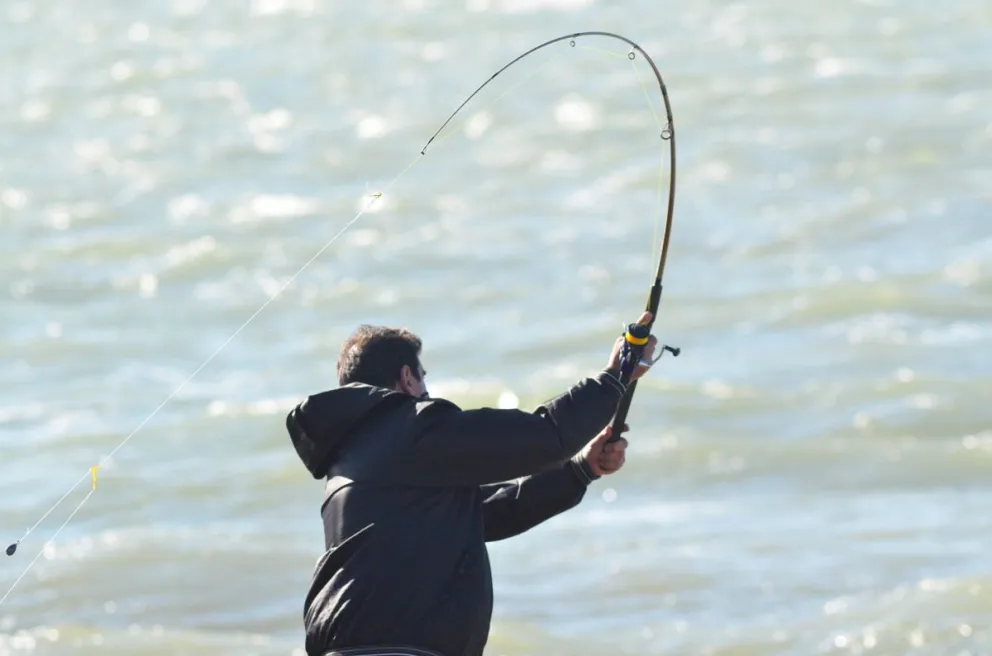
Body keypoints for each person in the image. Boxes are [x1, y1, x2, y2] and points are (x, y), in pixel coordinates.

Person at [285, 313, 658, 656]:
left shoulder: (354, 460)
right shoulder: (408, 428)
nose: (426, 390)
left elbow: (487, 513)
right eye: (423, 377)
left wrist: (580, 470)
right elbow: (545, 437)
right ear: (407, 378)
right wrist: (615, 376)